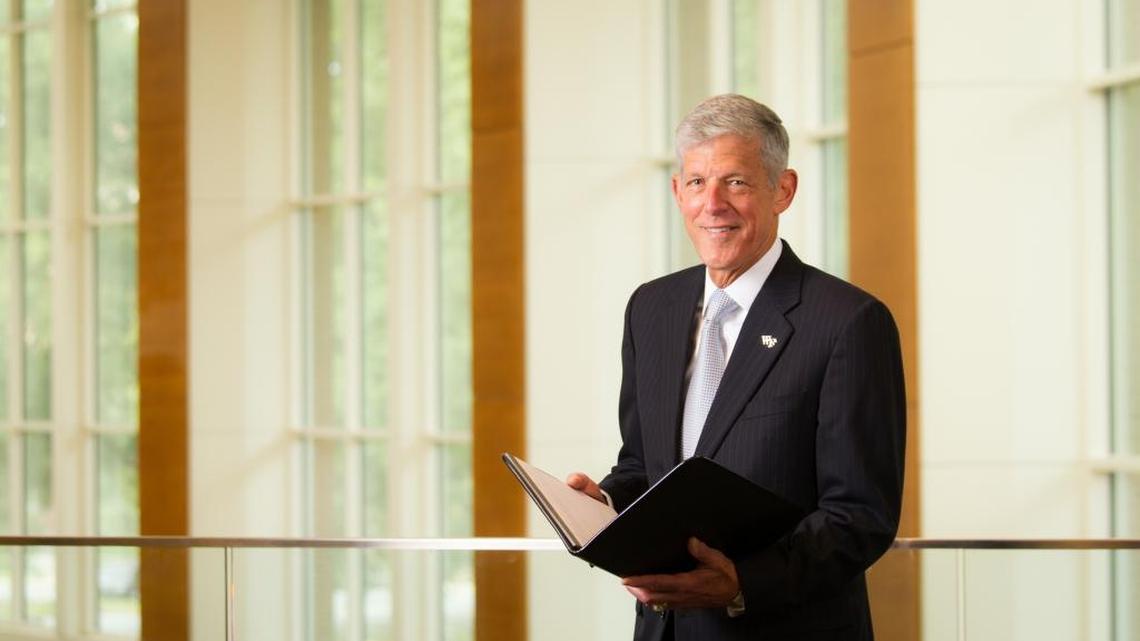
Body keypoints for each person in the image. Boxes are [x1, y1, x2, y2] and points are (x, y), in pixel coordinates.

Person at [566, 94, 906, 641]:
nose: (713, 204)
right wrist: (603, 507)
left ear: (783, 190)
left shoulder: (848, 322)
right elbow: (642, 466)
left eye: (737, 182)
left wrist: (741, 583)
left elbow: (860, 516)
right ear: (677, 193)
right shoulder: (651, 309)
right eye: (697, 183)